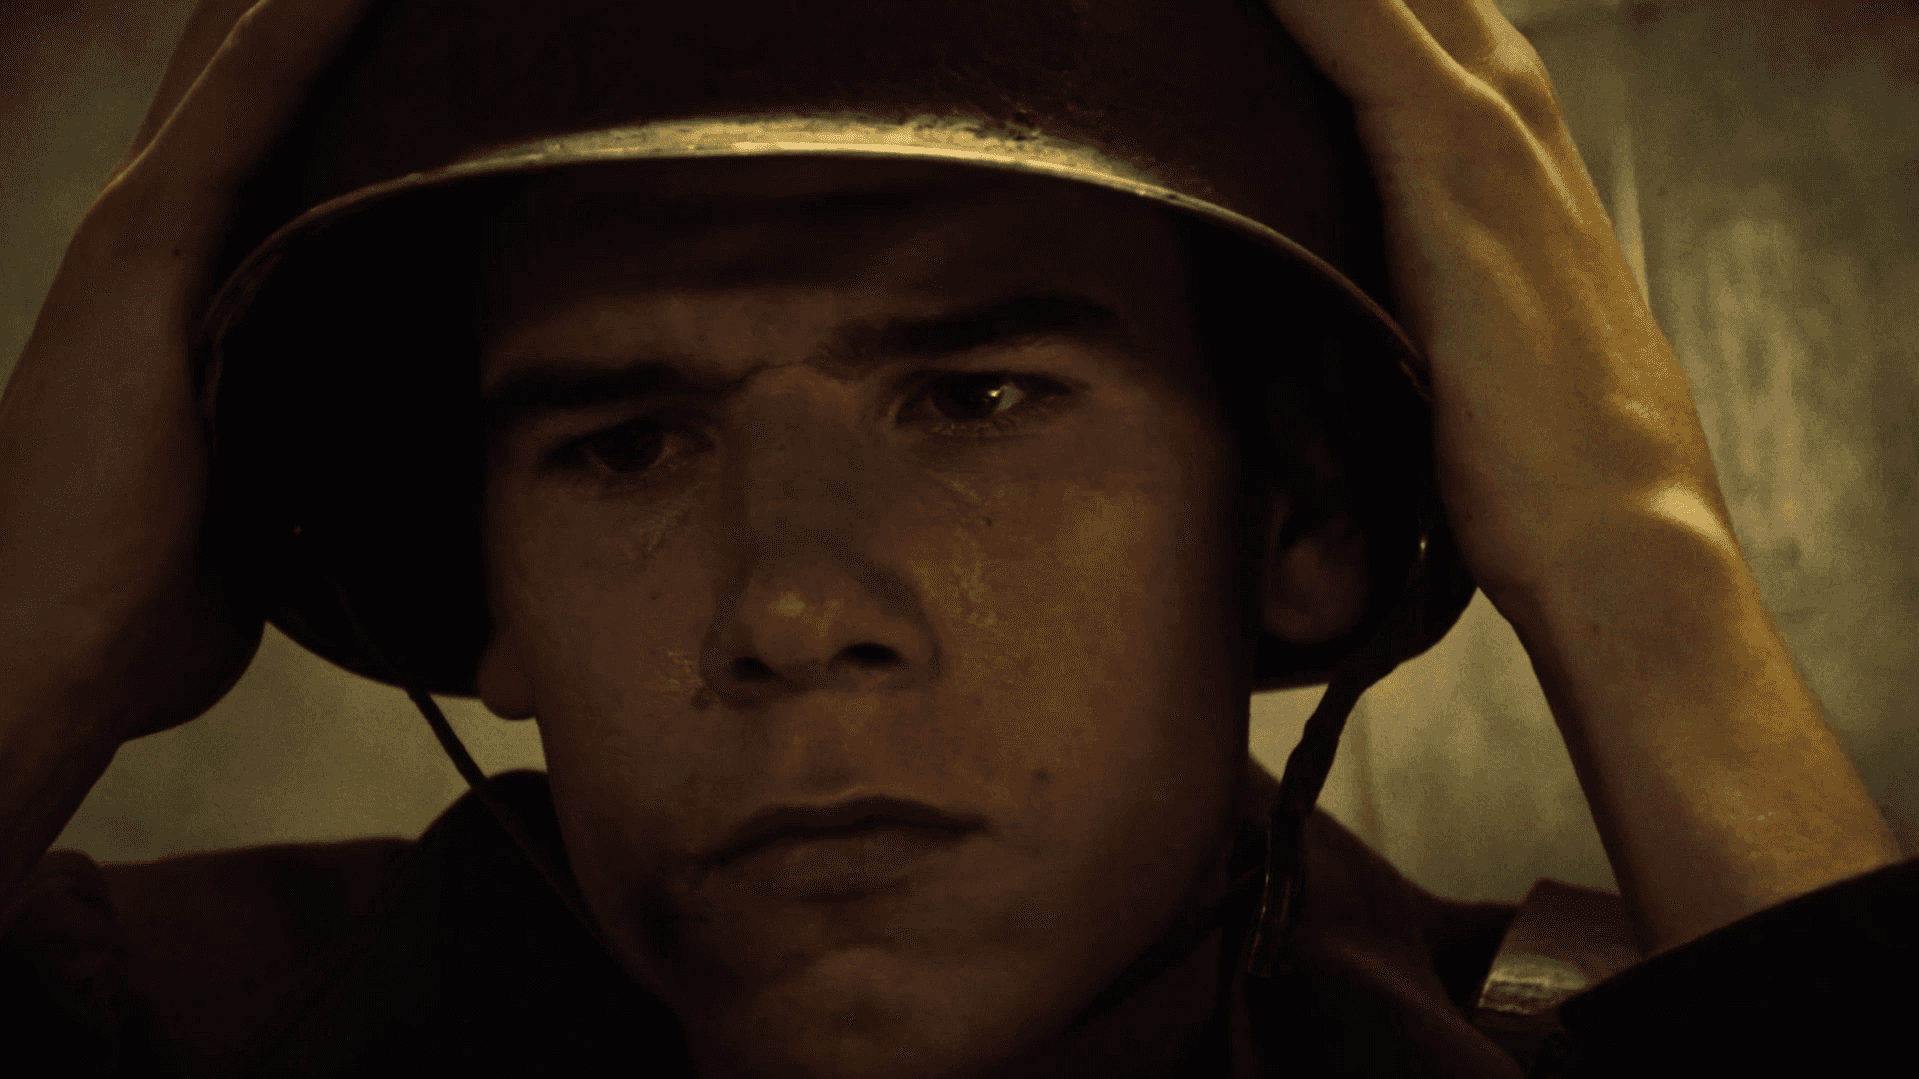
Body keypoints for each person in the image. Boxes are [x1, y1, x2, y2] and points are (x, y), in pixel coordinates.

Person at [0, 1, 1911, 1076]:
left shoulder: (1631, 1049)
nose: (791, 604)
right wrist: (29, 639)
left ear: (1299, 519)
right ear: (475, 572)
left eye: (975, 397)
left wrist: (1639, 562)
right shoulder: (158, 1030)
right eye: (628, 443)